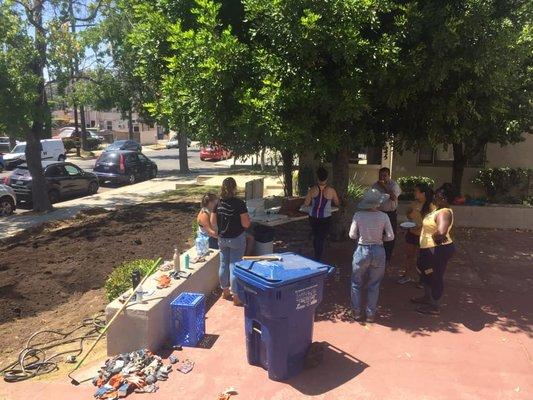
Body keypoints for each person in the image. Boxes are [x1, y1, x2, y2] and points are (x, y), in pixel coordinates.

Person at [349, 188, 395, 322]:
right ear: (378, 202)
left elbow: (352, 234)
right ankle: (370, 315)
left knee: (356, 283)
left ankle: (356, 313)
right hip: (378, 250)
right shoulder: (384, 216)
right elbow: (390, 237)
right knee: (374, 284)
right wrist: (380, 239)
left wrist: (361, 237)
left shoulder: (358, 215)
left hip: (362, 250)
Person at [411, 183, 456, 315]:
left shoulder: (444, 213)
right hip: (428, 248)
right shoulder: (437, 210)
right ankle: (427, 297)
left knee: (434, 276)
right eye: (436, 194)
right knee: (424, 272)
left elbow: (441, 233)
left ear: (445, 199)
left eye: (438, 195)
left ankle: (434, 305)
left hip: (436, 250)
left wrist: (433, 238)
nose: (435, 197)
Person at [210, 177, 251, 306]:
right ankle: (236, 296)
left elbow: (212, 222)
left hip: (222, 239)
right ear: (234, 188)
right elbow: (246, 223)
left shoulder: (218, 203)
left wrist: (219, 232)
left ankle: (225, 291)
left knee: (223, 264)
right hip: (236, 239)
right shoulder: (239, 203)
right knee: (234, 266)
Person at [398, 184, 435, 284]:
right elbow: (409, 215)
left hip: (424, 236)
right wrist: (409, 220)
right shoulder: (413, 204)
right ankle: (406, 276)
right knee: (409, 255)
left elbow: (433, 223)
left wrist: (421, 226)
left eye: (416, 191)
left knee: (423, 259)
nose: (414, 193)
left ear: (423, 193)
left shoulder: (431, 206)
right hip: (412, 233)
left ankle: (423, 280)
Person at [304, 167, 340, 261]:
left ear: (317, 178)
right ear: (327, 178)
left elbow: (306, 203)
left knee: (317, 237)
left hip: (313, 217)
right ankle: (318, 258)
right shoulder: (331, 190)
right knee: (321, 238)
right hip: (325, 218)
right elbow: (337, 203)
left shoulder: (312, 189)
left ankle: (317, 255)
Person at [372, 167, 401, 265]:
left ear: (389, 175)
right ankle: (378, 255)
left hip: (390, 213)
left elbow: (393, 198)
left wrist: (384, 186)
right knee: (378, 234)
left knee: (390, 235)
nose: (382, 177)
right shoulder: (375, 185)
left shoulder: (393, 185)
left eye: (385, 175)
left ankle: (387, 256)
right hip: (379, 212)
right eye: (380, 175)